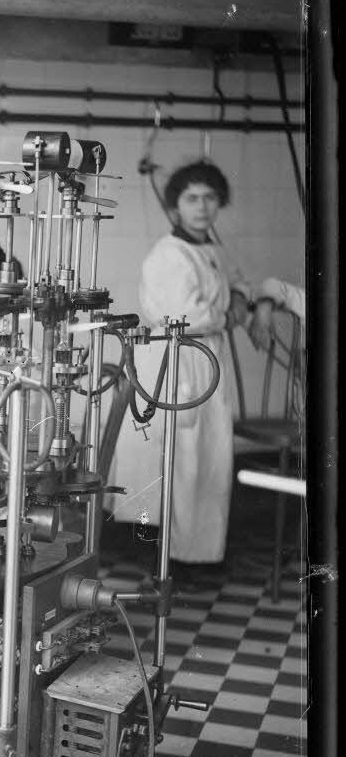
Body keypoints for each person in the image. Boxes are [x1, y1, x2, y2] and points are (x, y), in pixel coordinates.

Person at [106, 160, 253, 573]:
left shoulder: (210, 248)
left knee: (203, 461)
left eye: (209, 198)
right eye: (192, 198)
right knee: (175, 462)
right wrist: (231, 311)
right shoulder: (168, 254)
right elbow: (187, 314)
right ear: (175, 208)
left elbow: (237, 283)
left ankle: (194, 552)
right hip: (175, 363)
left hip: (204, 360)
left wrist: (239, 299)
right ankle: (169, 559)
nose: (202, 207)